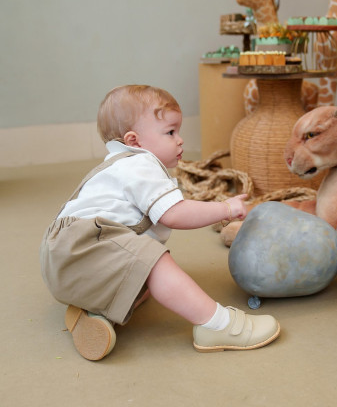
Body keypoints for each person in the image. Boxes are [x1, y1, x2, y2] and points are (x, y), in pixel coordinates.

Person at [40, 85, 280, 361]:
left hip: (66, 260)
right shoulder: (139, 164)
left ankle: (95, 311)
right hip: (82, 247)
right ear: (134, 141)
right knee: (154, 262)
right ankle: (216, 325)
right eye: (170, 132)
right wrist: (225, 208)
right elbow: (174, 214)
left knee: (141, 274)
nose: (180, 140)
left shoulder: (118, 165)